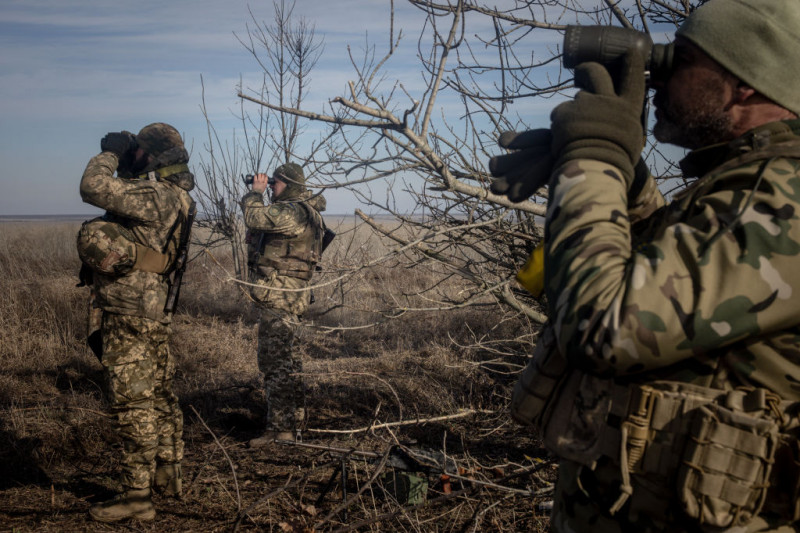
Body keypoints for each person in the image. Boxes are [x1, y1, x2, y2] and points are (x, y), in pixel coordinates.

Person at [491, 0, 800, 531]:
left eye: (679, 60)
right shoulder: (749, 185)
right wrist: (625, 180)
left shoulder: (784, 195)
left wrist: (594, 154)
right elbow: (676, 286)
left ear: (745, 82)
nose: (656, 79)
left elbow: (607, 323)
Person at [77, 123, 195, 522]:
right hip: (152, 308)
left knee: (132, 404)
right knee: (159, 393)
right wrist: (132, 167)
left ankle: (137, 498)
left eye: (140, 151)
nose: (134, 155)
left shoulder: (156, 195)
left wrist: (111, 154)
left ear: (154, 157)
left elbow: (92, 186)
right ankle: (167, 473)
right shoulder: (176, 196)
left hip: (130, 310)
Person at [241, 163, 327, 447]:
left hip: (280, 295)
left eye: (274, 183)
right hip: (293, 295)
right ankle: (296, 419)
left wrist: (255, 192)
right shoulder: (309, 212)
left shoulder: (292, 210)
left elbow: (253, 217)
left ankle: (279, 430)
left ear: (287, 184)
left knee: (275, 363)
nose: (270, 188)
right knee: (290, 360)